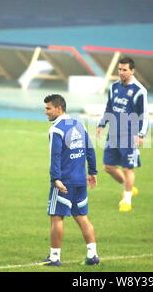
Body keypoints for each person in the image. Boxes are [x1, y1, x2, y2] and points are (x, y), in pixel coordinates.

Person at [37, 94, 99, 266]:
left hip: (64, 182)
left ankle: (54, 257)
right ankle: (92, 255)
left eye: (48, 108)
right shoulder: (79, 124)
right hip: (80, 180)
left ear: (59, 108)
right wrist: (93, 172)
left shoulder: (56, 129)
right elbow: (90, 149)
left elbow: (55, 156)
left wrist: (55, 178)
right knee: (82, 216)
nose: (45, 112)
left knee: (56, 217)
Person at [96, 57, 149, 212]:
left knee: (127, 168)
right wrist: (101, 123)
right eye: (119, 69)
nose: (121, 72)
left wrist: (141, 134)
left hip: (130, 135)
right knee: (108, 167)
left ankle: (126, 200)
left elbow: (144, 115)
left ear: (132, 71)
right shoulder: (113, 87)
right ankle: (128, 187)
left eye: (125, 70)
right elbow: (109, 107)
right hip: (113, 133)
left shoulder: (140, 91)